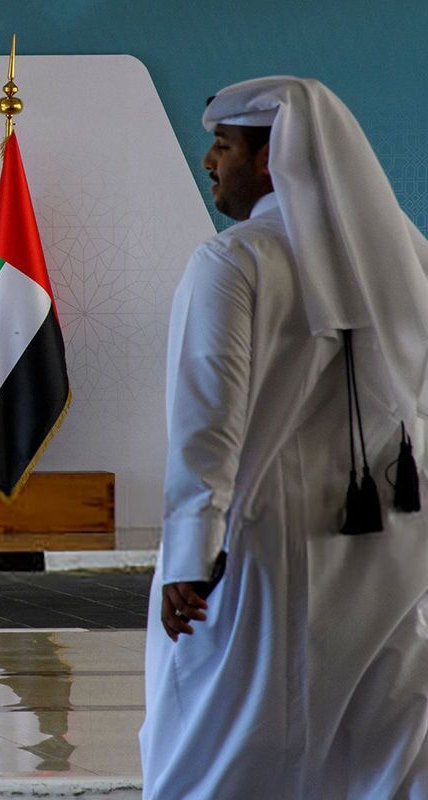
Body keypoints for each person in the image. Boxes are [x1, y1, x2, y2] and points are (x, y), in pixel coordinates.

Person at [140, 76, 428, 799]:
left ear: (271, 159)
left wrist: (190, 551)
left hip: (269, 551)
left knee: (228, 745)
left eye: (223, 145)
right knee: (385, 749)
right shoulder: (406, 256)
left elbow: (209, 421)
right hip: (394, 549)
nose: (209, 161)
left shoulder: (234, 261)